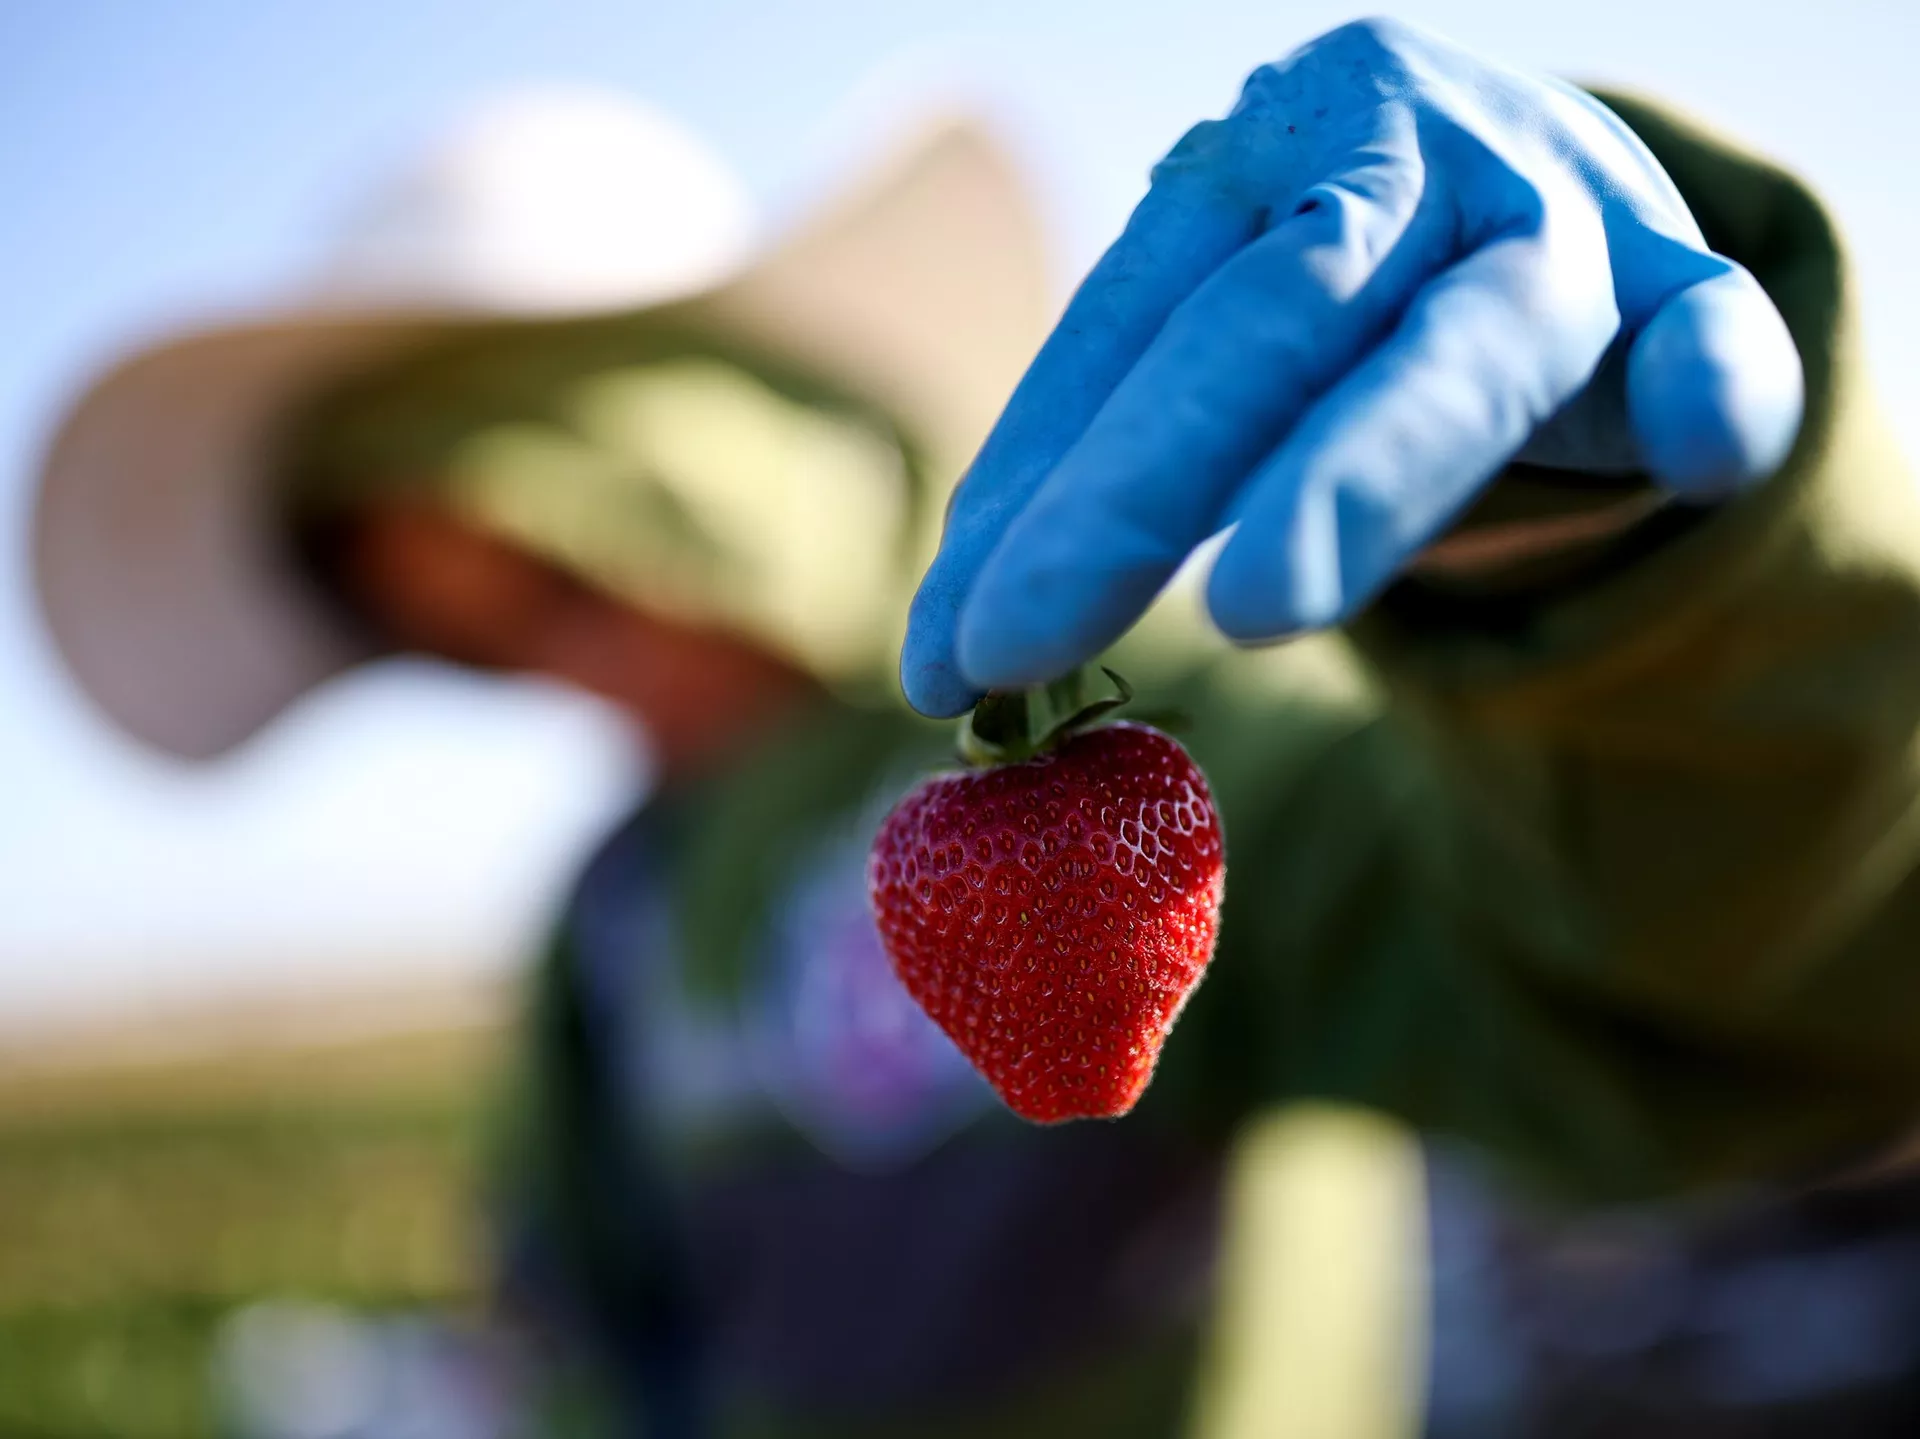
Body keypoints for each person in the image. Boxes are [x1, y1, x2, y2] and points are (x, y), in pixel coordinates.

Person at [33, 20, 1920, 1439]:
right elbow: (591, 1310)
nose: (568, 670)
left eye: (566, 569)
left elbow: (1731, 996)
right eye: (467, 642)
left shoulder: (1157, 733)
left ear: (709, 467)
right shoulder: (611, 912)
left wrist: (1627, 603)